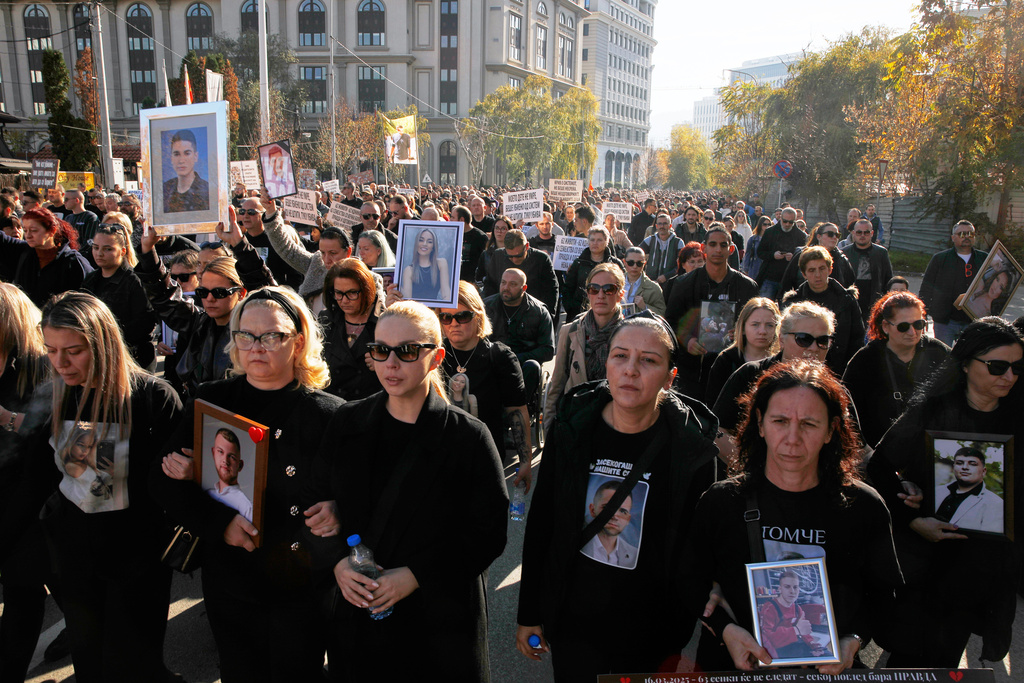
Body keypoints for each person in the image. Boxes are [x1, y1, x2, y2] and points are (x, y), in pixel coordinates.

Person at [152, 286, 344, 682]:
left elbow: (356, 490)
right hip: (235, 580)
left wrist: (338, 509)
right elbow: (163, 481)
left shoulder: (330, 414)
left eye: (272, 335)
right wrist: (217, 522)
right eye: (245, 335)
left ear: (298, 341)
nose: (256, 346)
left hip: (304, 582)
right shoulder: (211, 401)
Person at [310, 301, 508, 682]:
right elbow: (316, 504)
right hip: (361, 622)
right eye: (380, 350)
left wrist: (416, 575)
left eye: (408, 351)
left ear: (436, 357)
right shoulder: (347, 421)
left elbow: (488, 533)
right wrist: (336, 562)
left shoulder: (468, 437)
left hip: (438, 626)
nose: (391, 363)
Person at [517, 315, 719, 681]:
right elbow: (543, 524)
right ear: (606, 363)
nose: (630, 370)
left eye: (649, 360)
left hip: (647, 634)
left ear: (671, 377)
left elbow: (697, 548)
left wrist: (675, 628)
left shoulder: (692, 450)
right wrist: (529, 612)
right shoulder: (572, 430)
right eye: (620, 356)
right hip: (574, 621)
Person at [681, 360, 902, 674]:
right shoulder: (722, 501)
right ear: (760, 424)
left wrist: (852, 641)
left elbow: (884, 597)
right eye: (780, 421)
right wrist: (726, 630)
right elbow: (689, 580)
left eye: (809, 424)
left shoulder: (863, 506)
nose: (793, 437)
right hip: (730, 667)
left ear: (831, 430)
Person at [32, 292, 183, 682]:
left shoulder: (152, 397)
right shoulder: (60, 392)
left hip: (135, 565)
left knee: (133, 665)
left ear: (102, 343)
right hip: (77, 561)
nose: (61, 363)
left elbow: (171, 489)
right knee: (91, 665)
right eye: (50, 351)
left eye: (74, 351)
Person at [867, 317, 1023, 667]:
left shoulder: (1018, 418)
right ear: (966, 364)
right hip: (927, 566)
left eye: (1017, 367)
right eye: (998, 367)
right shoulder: (930, 412)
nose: (1009, 377)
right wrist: (913, 518)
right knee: (907, 659)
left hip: (984, 573)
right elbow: (879, 467)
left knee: (947, 661)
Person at [138, 210, 275, 397]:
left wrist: (240, 245)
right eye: (203, 292)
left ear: (241, 293)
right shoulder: (198, 322)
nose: (209, 299)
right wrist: (148, 250)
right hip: (199, 410)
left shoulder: (252, 329)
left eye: (220, 293)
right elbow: (165, 297)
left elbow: (269, 298)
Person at [0, 284, 60, 683]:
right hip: (9, 499)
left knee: (27, 593)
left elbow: (42, 442)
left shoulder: (44, 369)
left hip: (34, 506)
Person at [439, 281, 533, 489]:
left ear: (478, 316)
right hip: (441, 458)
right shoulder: (435, 354)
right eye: (446, 317)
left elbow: (516, 410)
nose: (453, 323)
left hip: (484, 457)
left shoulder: (499, 356)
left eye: (462, 316)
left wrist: (525, 460)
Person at [842, 291, 949, 447]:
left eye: (919, 324)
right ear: (886, 326)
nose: (912, 332)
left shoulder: (938, 352)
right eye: (903, 327)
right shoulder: (865, 360)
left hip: (929, 450)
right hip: (878, 452)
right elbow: (847, 411)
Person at [666, 224, 760, 402]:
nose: (718, 249)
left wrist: (741, 334)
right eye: (713, 244)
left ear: (731, 249)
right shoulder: (683, 284)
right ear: (704, 248)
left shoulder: (747, 287)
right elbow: (670, 322)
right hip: (691, 369)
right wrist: (687, 340)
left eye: (723, 245)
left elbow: (756, 323)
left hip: (733, 369)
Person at [546, 263, 626, 429]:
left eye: (609, 289)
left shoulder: (631, 335)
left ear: (620, 295)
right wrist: (550, 432)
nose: (601, 295)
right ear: (588, 293)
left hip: (616, 425)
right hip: (576, 423)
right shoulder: (570, 331)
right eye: (594, 289)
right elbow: (557, 385)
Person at [81, 217, 159, 371]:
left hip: (132, 359)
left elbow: (145, 323)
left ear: (122, 251)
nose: (99, 253)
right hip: (99, 356)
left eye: (108, 249)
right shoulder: (90, 279)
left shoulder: (134, 280)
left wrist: (108, 337)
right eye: (96, 247)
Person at [781, 246, 864, 375]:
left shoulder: (847, 300)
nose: (818, 275)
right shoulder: (794, 303)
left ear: (830, 269)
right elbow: (783, 340)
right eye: (812, 270)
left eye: (822, 269)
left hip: (839, 369)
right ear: (804, 274)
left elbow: (857, 338)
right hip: (800, 370)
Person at [484, 267, 555, 400]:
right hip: (493, 360)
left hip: (523, 363)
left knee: (533, 366)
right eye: (503, 282)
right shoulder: (486, 306)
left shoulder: (539, 311)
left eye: (513, 284)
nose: (506, 287)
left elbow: (548, 349)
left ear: (524, 288)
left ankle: (521, 408)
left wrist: (516, 357)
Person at [0, 207, 92, 307]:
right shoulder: (24, 252)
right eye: (25, 230)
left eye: (34, 230)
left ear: (52, 230)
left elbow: (87, 301)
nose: (28, 235)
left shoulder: (73, 262)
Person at [320, 258, 384, 400]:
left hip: (368, 407)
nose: (344, 300)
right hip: (332, 406)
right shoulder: (326, 319)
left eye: (352, 293)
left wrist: (385, 363)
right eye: (338, 293)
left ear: (367, 290)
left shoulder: (385, 323)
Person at [920, 221, 988, 346]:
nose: (966, 237)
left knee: (970, 358)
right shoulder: (940, 259)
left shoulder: (985, 259)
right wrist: (922, 313)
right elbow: (927, 286)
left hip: (973, 321)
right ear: (953, 237)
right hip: (945, 320)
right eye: (962, 234)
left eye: (970, 234)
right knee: (942, 358)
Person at [705, 298, 781, 411]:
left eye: (769, 325)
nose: (762, 331)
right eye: (755, 324)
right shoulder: (725, 361)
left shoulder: (781, 362)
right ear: (743, 327)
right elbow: (712, 405)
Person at [481, 228, 560, 317]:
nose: (514, 260)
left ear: (527, 246)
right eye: (510, 256)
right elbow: (490, 285)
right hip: (502, 313)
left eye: (518, 256)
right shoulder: (498, 256)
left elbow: (551, 290)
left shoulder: (541, 259)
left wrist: (548, 315)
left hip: (532, 313)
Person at [933, 447, 1003, 533]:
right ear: (953, 467)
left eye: (972, 464)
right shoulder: (937, 491)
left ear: (984, 471)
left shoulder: (996, 503)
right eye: (959, 463)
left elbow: (989, 541)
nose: (965, 467)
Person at [563, 225, 625, 321]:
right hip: (578, 313)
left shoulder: (615, 264)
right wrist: (570, 307)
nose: (595, 243)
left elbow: (622, 287)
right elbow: (568, 287)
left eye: (599, 240)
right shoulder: (579, 263)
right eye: (592, 240)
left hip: (608, 314)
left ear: (606, 242)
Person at [842, 218, 893, 323]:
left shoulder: (881, 253)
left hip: (874, 299)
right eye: (859, 232)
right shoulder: (844, 253)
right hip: (851, 300)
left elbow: (888, 278)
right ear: (853, 233)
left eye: (866, 232)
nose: (862, 235)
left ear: (872, 233)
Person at [779, 222, 856, 293]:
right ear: (819, 236)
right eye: (830, 234)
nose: (834, 237)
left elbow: (850, 285)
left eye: (837, 235)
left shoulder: (841, 258)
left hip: (834, 303)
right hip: (806, 301)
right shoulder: (803, 255)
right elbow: (786, 283)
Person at [757, 571, 816, 659]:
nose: (792, 591)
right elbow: (768, 640)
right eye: (787, 587)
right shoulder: (769, 608)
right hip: (781, 653)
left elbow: (804, 631)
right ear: (780, 589)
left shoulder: (797, 608)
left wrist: (812, 643)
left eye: (795, 587)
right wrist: (796, 630)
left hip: (796, 647)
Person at [756, 207, 807, 300]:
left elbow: (805, 258)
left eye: (790, 222)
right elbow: (760, 252)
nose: (787, 224)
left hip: (790, 280)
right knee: (765, 307)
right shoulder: (770, 232)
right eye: (785, 221)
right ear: (780, 218)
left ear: (795, 221)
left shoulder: (801, 235)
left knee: (785, 310)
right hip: (770, 277)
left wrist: (794, 257)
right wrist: (773, 255)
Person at [204, 428, 253, 522]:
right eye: (220, 452)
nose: (225, 461)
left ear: (240, 465)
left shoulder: (245, 506)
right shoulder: (208, 493)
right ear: (213, 453)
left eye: (232, 457)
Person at [163, 129, 210, 213]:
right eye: (177, 154)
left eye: (187, 153)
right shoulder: (165, 190)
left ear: (195, 156)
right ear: (171, 158)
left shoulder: (207, 191)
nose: (181, 160)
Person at [401, 227, 452, 302]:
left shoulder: (441, 263)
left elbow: (446, 293)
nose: (424, 244)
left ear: (433, 247)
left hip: (435, 309)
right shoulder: (409, 270)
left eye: (429, 242)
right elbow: (408, 300)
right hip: (416, 311)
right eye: (421, 240)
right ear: (416, 243)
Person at [621, 246, 667, 316]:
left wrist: (644, 307)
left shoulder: (654, 288)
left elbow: (662, 314)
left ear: (644, 264)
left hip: (641, 325)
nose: (635, 266)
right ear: (624, 262)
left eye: (639, 263)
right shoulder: (615, 282)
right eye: (631, 263)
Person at [639, 212, 683, 283]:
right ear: (656, 226)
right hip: (651, 282)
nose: (662, 226)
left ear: (670, 226)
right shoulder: (650, 240)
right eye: (659, 224)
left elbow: (681, 265)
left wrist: (666, 276)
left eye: (665, 223)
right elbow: (637, 254)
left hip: (671, 283)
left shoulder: (678, 242)